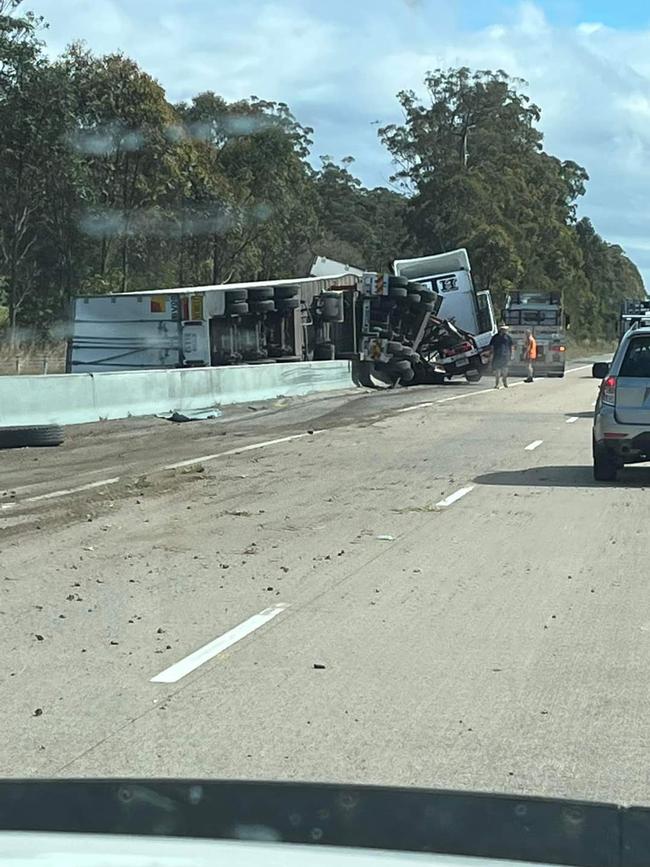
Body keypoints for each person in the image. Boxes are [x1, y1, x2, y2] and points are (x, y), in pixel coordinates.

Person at [490, 324, 513, 389]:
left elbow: (511, 346)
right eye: (504, 330)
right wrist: (491, 354)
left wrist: (511, 355)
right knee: (497, 371)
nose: (505, 331)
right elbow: (492, 346)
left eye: (506, 330)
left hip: (506, 356)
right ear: (501, 330)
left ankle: (504, 381)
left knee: (505, 370)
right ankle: (497, 384)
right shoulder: (495, 337)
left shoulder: (508, 337)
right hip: (497, 355)